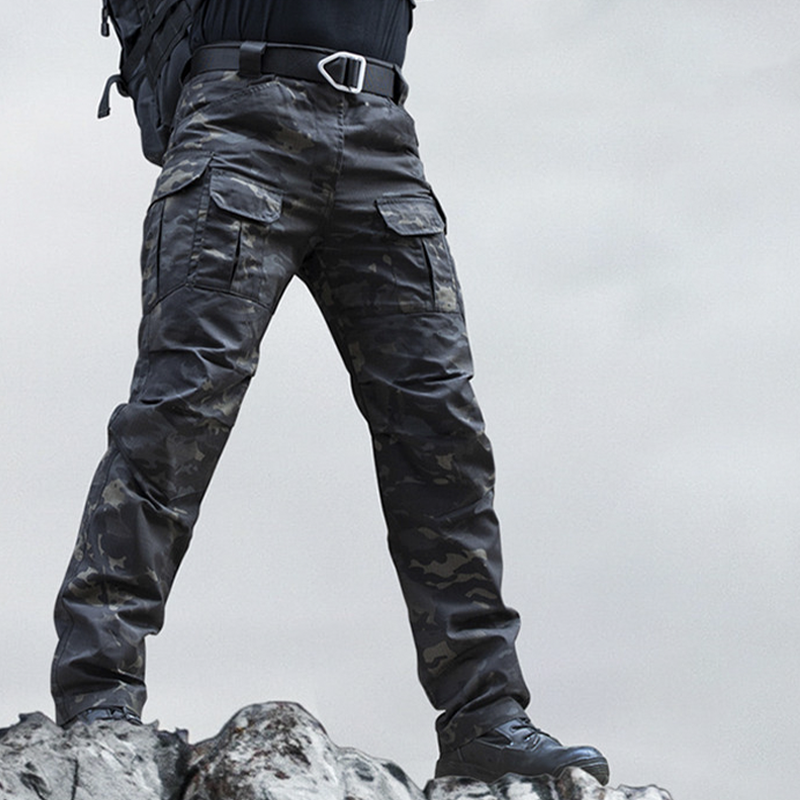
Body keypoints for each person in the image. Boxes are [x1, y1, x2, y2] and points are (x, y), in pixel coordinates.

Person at [51, 0, 609, 785]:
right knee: (179, 414)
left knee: (442, 436)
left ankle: (486, 718)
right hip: (238, 118)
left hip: (382, 133)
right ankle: (98, 693)